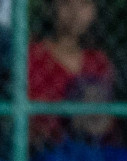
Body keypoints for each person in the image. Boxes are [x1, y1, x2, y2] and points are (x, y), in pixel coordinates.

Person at [27, 0, 113, 149]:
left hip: (93, 149)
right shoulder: (33, 55)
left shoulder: (98, 61)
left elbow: (104, 122)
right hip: (47, 149)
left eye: (84, 4)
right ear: (50, 9)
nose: (75, 13)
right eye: (66, 4)